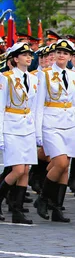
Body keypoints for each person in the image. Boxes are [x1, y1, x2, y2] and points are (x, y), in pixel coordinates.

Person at [34, 39, 75, 223]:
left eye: (66, 53)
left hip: (69, 124)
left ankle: (57, 207)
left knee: (64, 166)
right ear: (54, 55)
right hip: (51, 123)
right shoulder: (44, 75)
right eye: (59, 52)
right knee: (59, 163)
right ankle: (43, 198)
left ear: (69, 57)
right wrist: (38, 132)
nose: (62, 55)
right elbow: (38, 105)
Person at [0, 43, 39, 224]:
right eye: (24, 55)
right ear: (15, 59)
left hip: (27, 126)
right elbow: (1, 108)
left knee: (25, 170)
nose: (28, 57)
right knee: (16, 169)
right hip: (12, 126)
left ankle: (17, 210)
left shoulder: (32, 79)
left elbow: (34, 106)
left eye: (30, 55)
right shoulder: (6, 78)